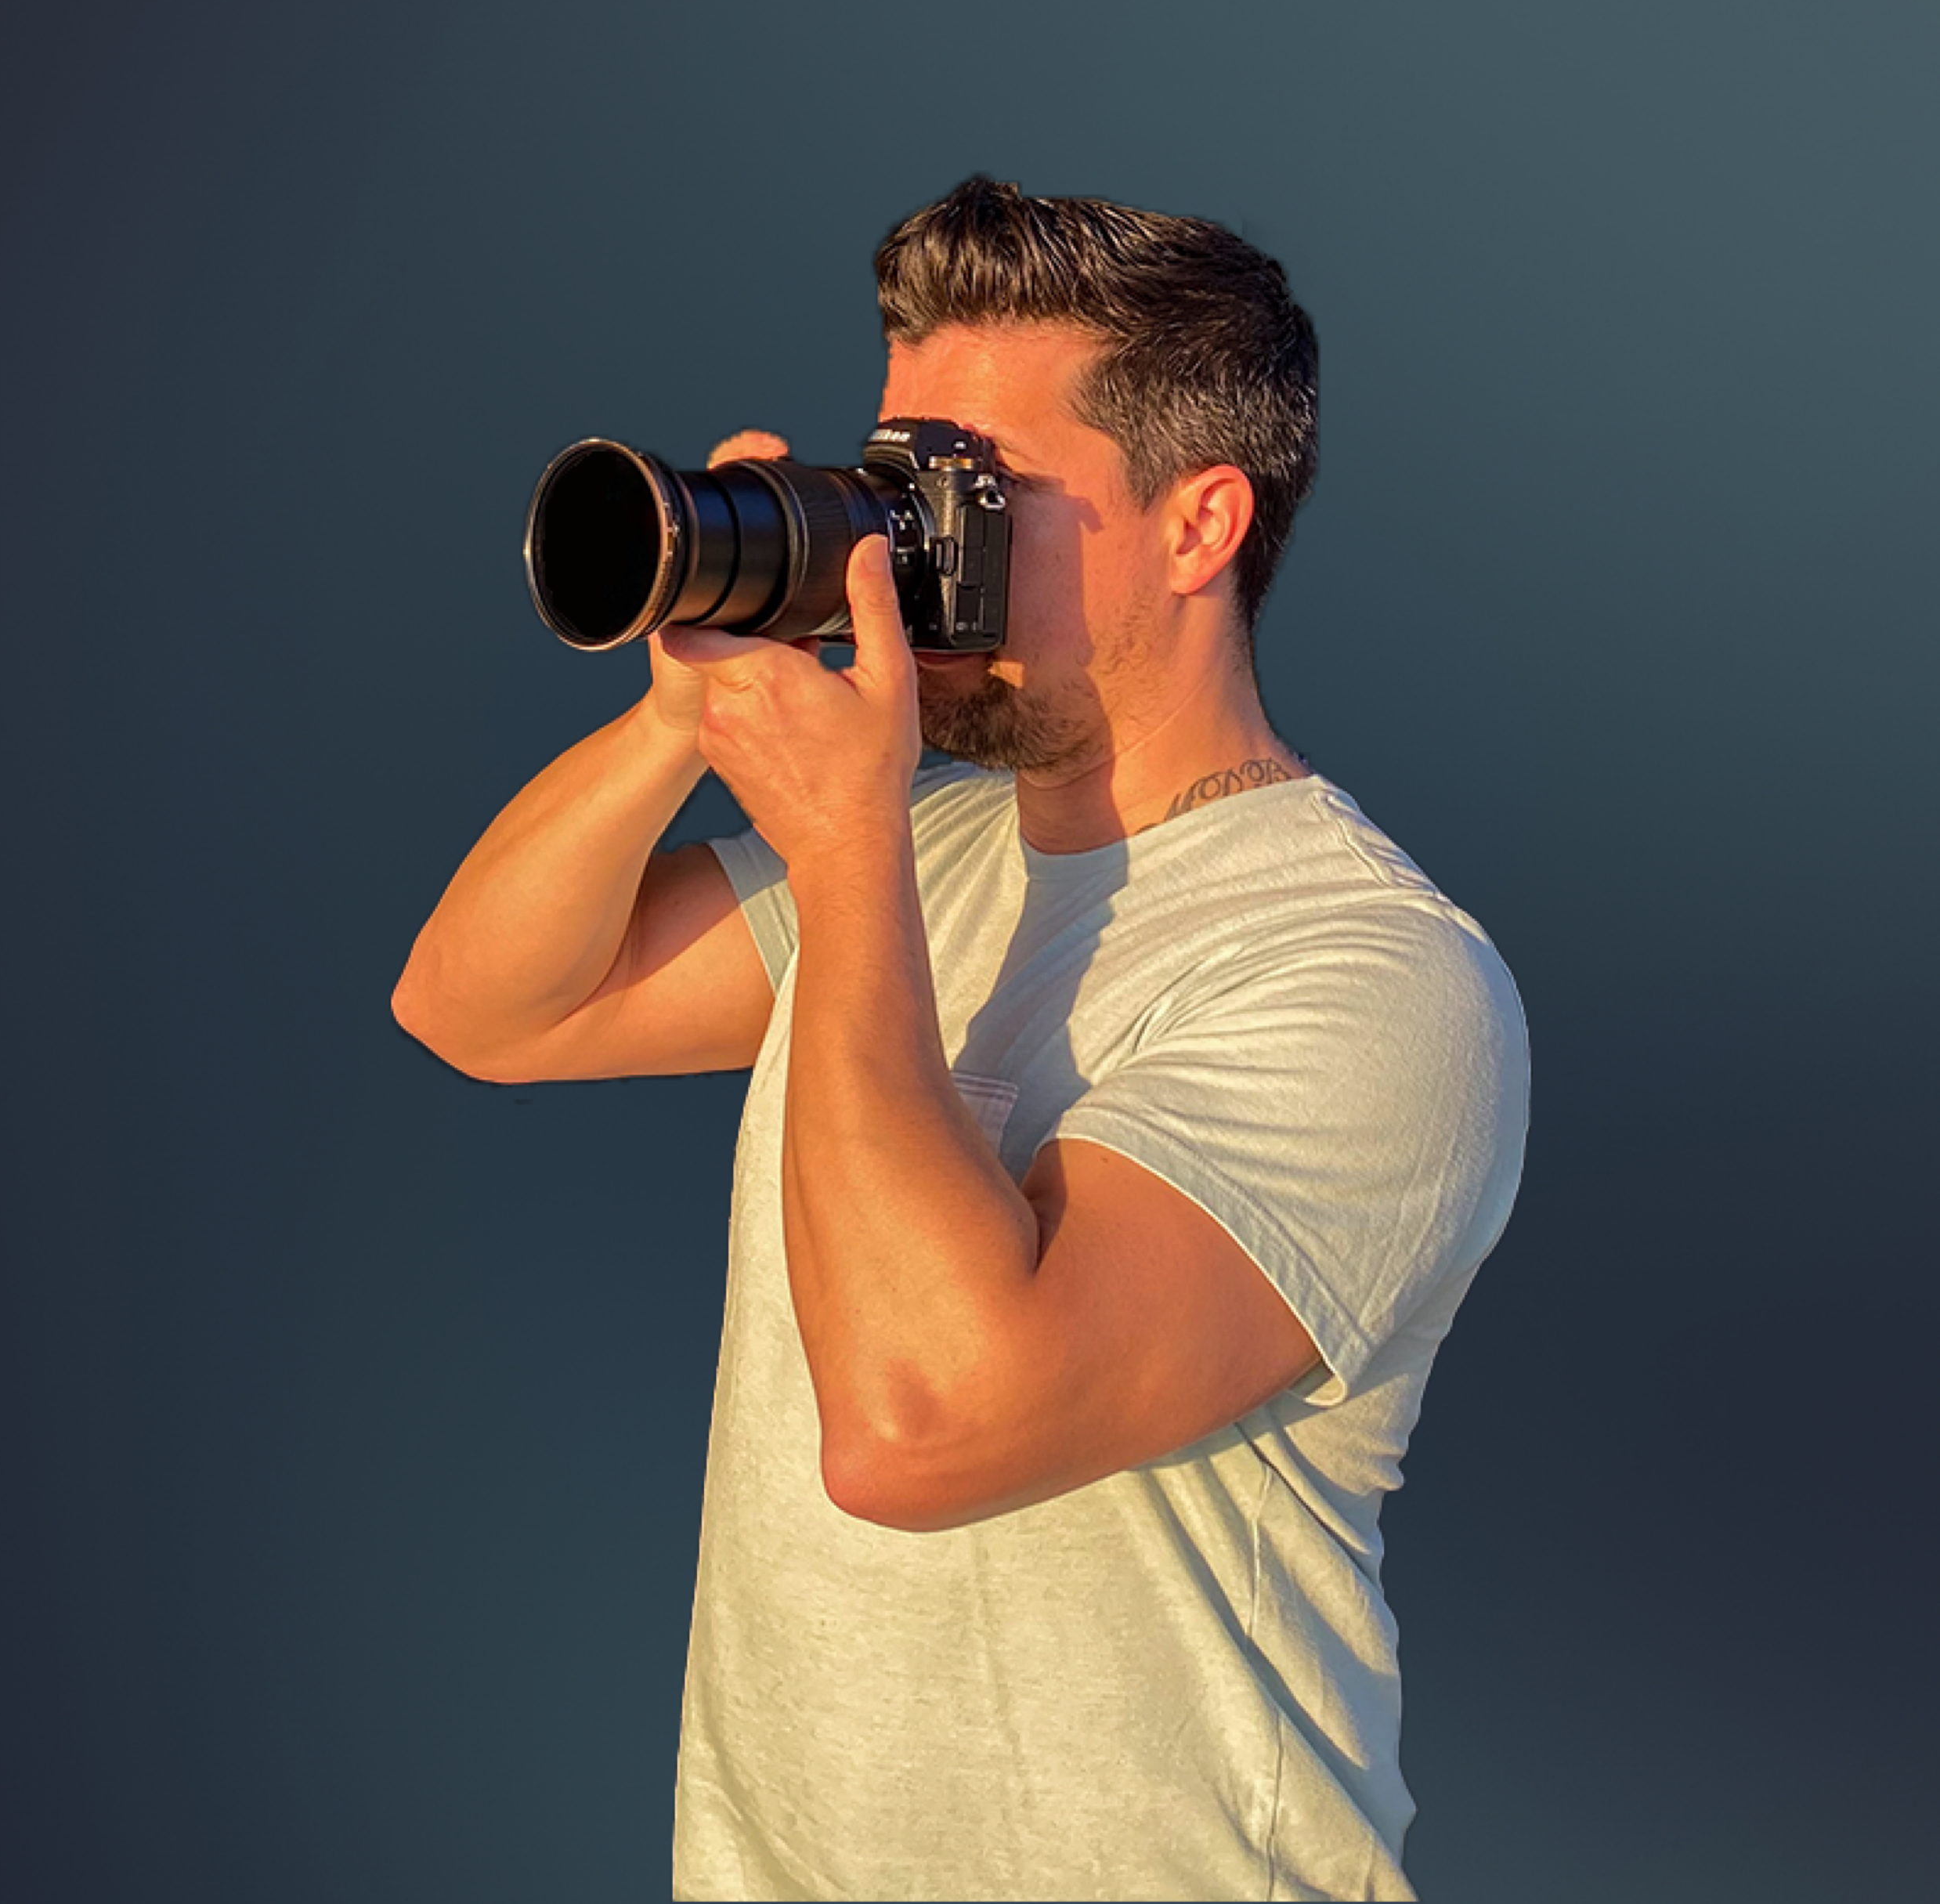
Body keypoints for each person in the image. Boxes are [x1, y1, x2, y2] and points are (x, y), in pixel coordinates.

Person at [392, 177, 1530, 1902]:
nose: (908, 546)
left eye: (970, 494)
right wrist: (683, 710)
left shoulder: (1369, 978)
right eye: (894, 475)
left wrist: (844, 848)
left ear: (1196, 523)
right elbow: (483, 1002)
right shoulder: (928, 850)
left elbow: (921, 1428)